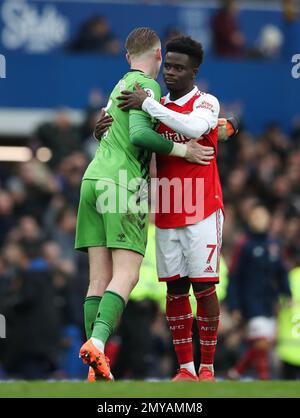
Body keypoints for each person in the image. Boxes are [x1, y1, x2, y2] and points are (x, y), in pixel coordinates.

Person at [75, 28, 215, 381]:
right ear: (156, 55)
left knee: (98, 279)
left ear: (126, 57)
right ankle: (96, 342)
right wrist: (184, 150)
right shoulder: (146, 88)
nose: (167, 71)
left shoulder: (117, 85)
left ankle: (95, 366)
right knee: (127, 274)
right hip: (122, 185)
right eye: (165, 62)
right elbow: (138, 135)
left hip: (92, 180)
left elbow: (107, 127)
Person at [227, 205, 292, 380]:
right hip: (251, 302)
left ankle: (236, 372)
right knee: (261, 342)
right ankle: (265, 380)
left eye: (263, 217)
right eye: (256, 217)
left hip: (270, 302)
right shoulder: (245, 244)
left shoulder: (275, 244)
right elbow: (234, 277)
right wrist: (234, 305)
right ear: (251, 220)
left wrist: (288, 293)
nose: (260, 221)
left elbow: (282, 272)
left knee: (261, 344)